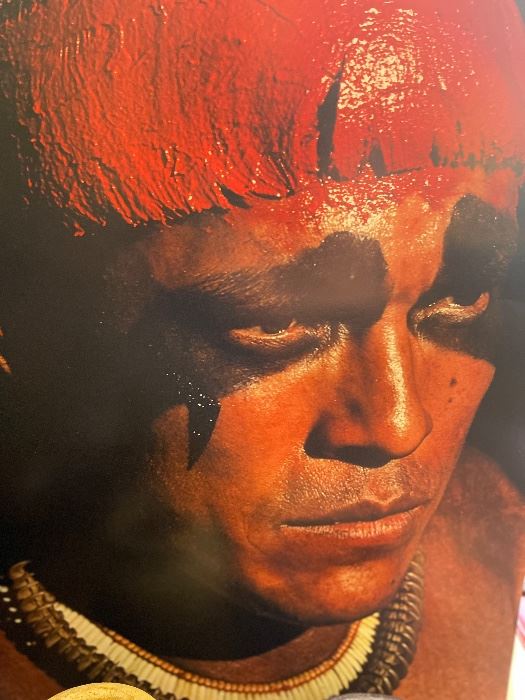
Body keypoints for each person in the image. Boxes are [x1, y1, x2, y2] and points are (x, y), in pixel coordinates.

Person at [0, 1, 524, 698]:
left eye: (461, 300)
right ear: (23, 325)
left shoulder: (508, 549)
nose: (398, 425)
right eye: (277, 324)